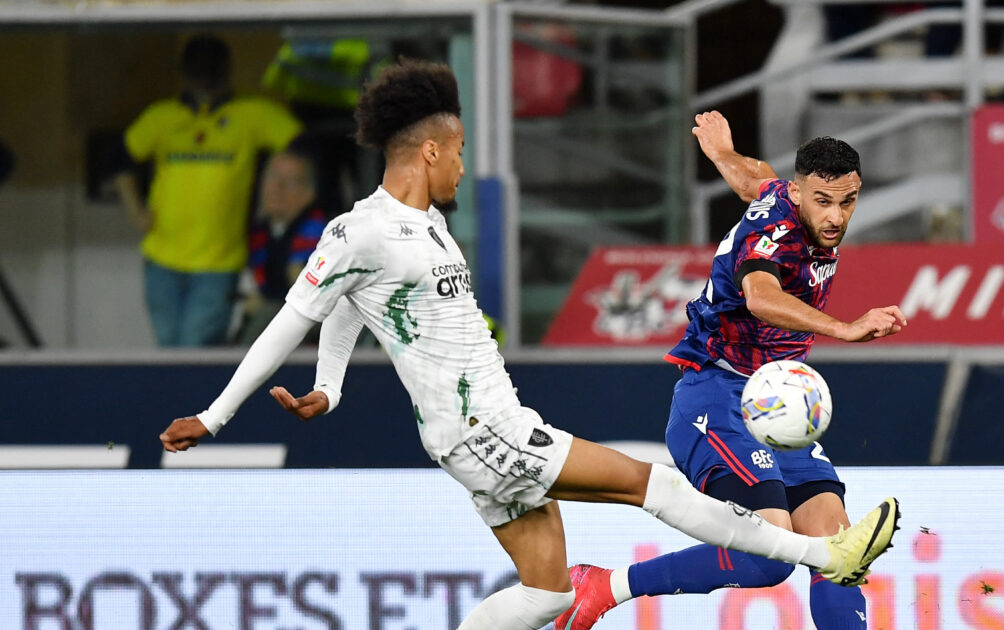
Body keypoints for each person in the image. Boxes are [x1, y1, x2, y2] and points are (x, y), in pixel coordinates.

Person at [157, 60, 899, 630]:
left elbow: (352, 302)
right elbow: (296, 315)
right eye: (460, 151)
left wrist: (331, 384)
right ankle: (819, 554)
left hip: (490, 425)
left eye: (848, 200)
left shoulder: (425, 224)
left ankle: (787, 559)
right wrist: (215, 417)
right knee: (657, 490)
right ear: (430, 150)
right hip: (494, 430)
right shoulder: (362, 229)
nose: (464, 165)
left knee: (545, 594)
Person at [554, 111, 908, 630]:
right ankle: (605, 585)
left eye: (847, 201)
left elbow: (755, 179)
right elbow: (760, 296)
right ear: (799, 193)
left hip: (774, 402)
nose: (836, 216)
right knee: (767, 557)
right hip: (717, 397)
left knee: (838, 551)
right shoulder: (774, 232)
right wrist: (845, 328)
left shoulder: (783, 195)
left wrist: (722, 153)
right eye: (823, 201)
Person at [114, 34, 302, 346]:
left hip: (219, 263)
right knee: (168, 347)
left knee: (195, 348)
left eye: (210, 68)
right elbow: (119, 158)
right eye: (198, 68)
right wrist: (136, 211)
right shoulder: (163, 117)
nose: (204, 76)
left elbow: (304, 148)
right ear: (184, 72)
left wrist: (276, 194)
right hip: (162, 260)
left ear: (226, 69)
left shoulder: (251, 115)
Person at [237, 145, 329, 344]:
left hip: (320, 325)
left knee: (268, 313)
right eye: (273, 178)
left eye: (290, 182)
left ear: (309, 193)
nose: (277, 188)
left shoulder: (321, 232)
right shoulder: (260, 231)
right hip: (282, 321)